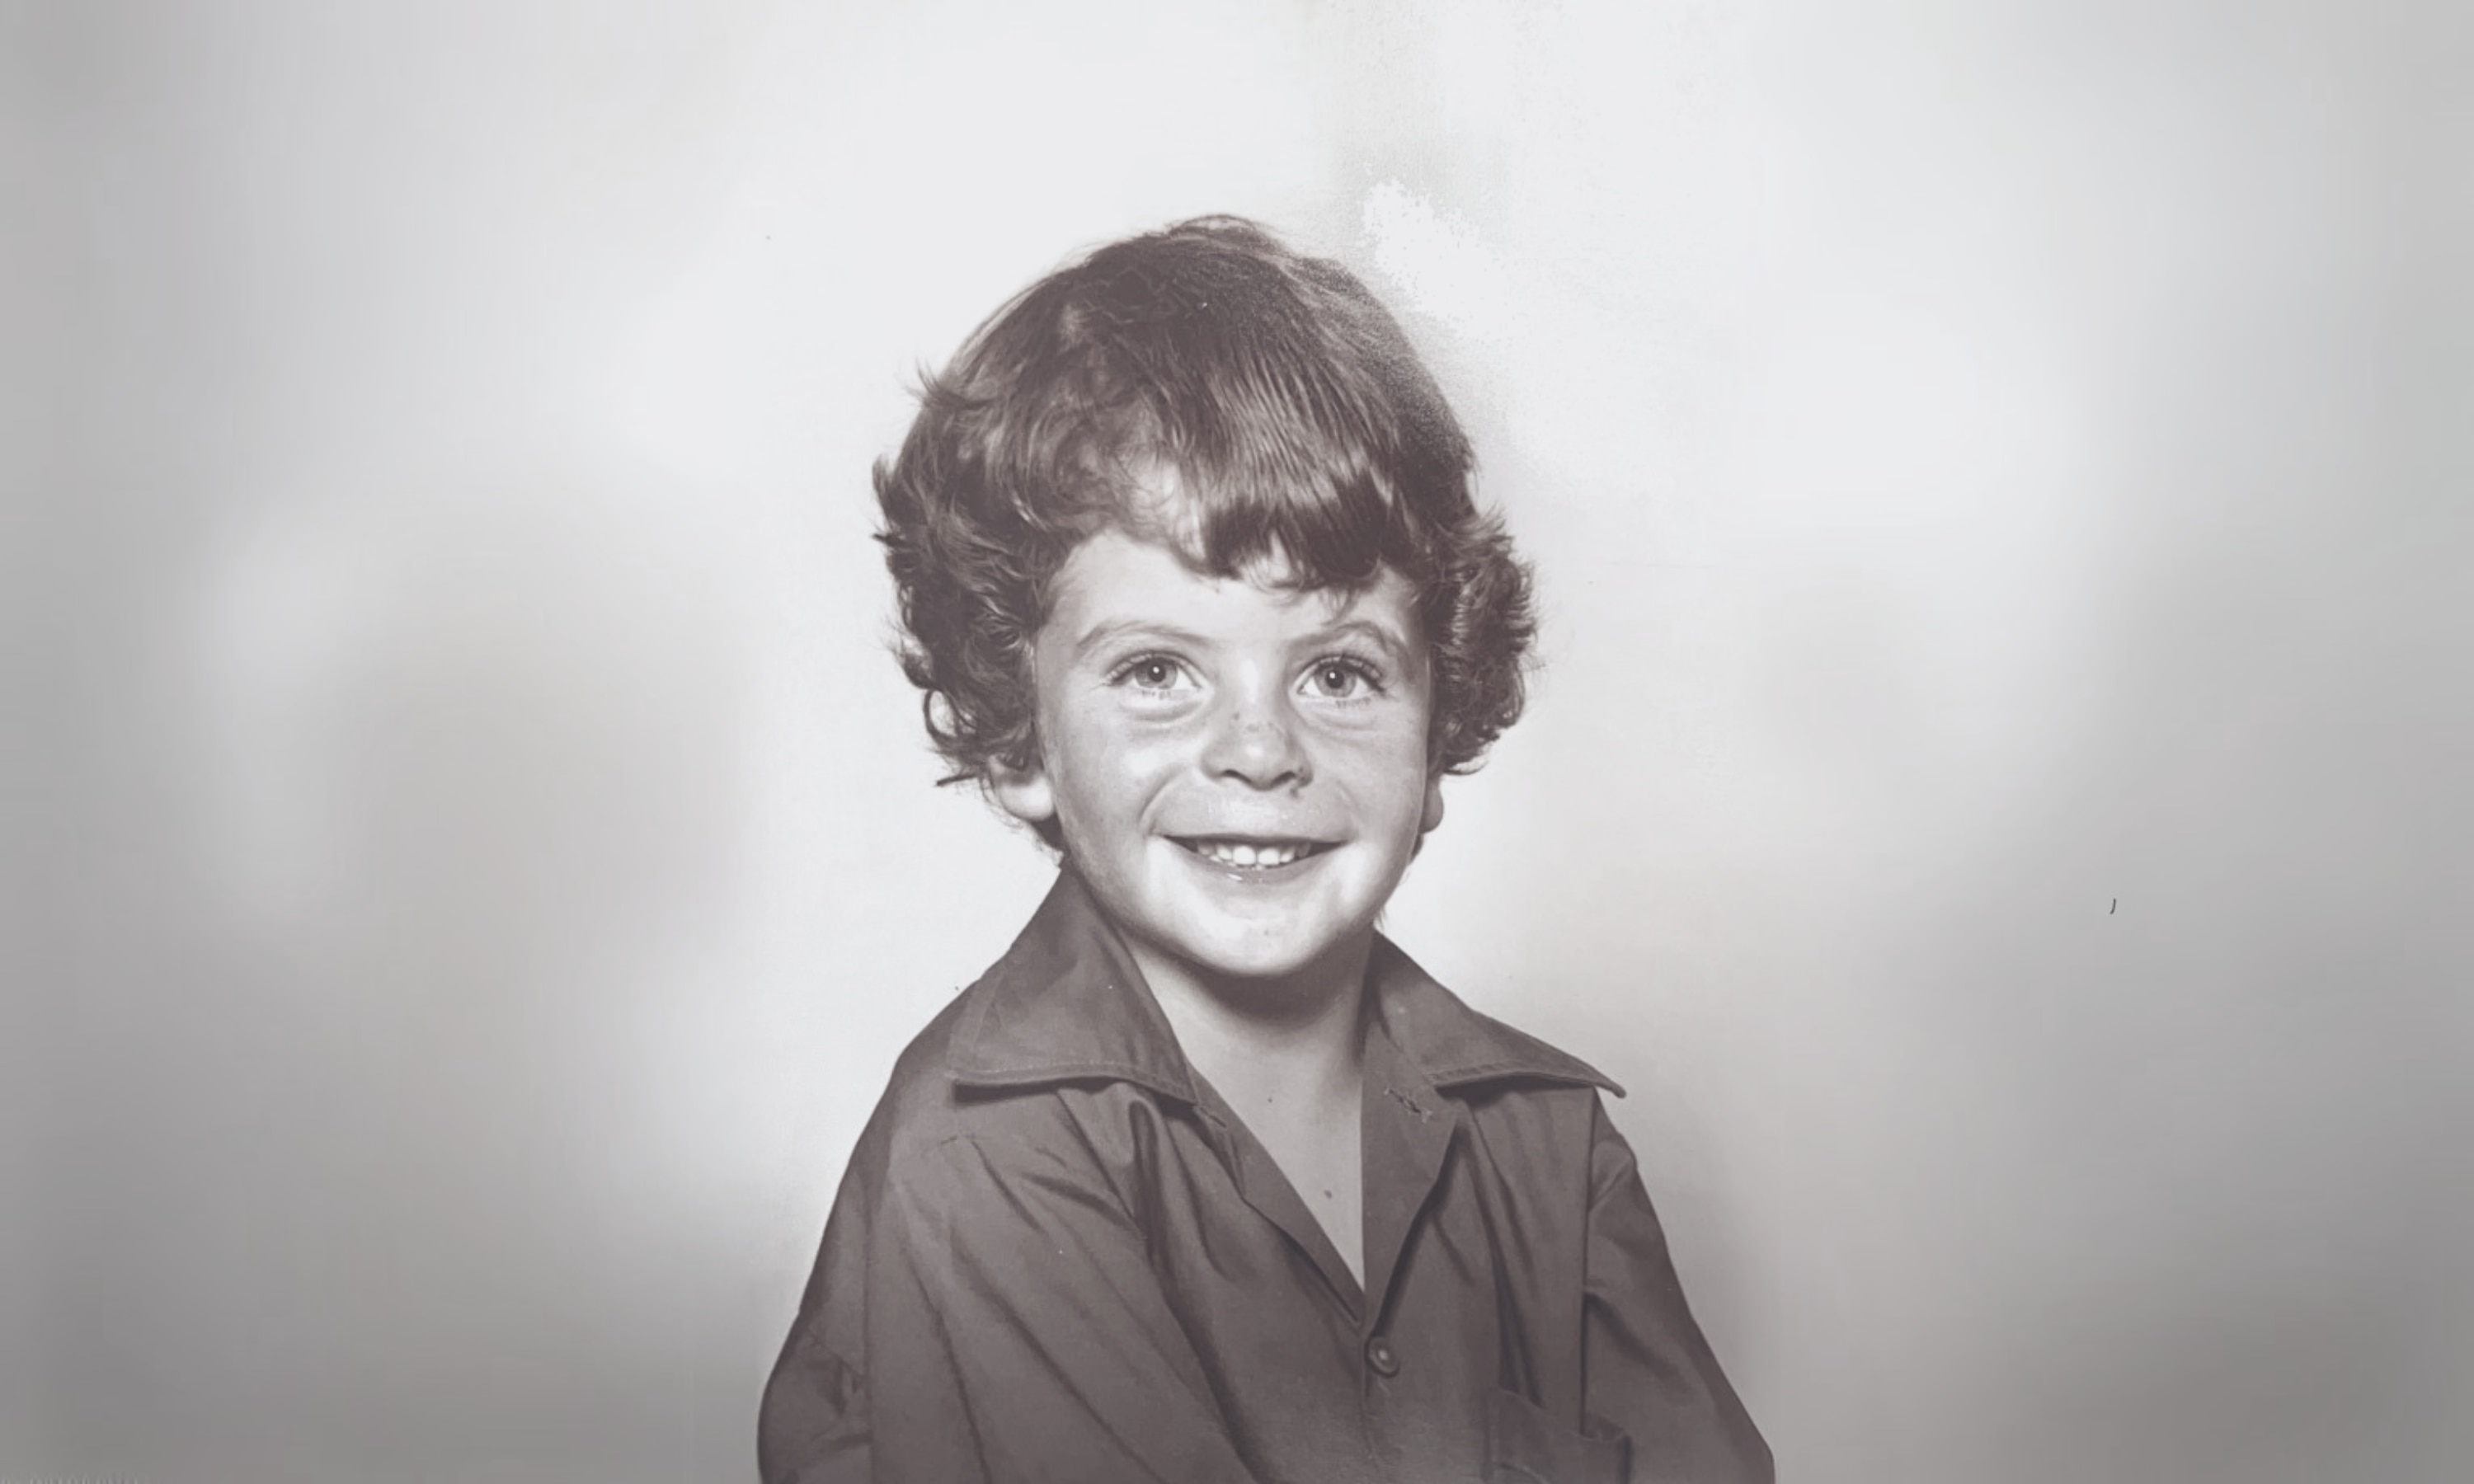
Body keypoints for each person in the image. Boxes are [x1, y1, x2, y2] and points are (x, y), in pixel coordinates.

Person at [759, 217, 1771, 1484]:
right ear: (1021, 741)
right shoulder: (985, 1161)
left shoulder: (1550, 1149)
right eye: (1158, 671)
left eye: (1340, 673)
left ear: (1439, 722)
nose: (1260, 750)